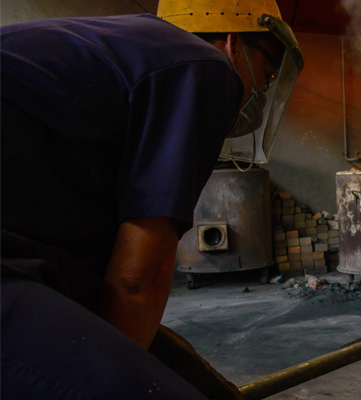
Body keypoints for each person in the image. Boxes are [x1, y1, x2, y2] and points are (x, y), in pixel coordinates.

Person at [0, 0, 302, 397]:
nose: (260, 95)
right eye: (265, 75)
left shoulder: (140, 53)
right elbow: (136, 283)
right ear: (233, 43)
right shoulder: (204, 67)